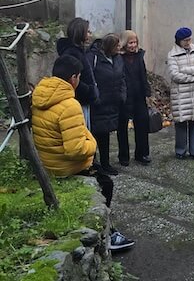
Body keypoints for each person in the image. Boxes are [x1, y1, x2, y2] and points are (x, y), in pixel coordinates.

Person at [31, 55, 134, 251]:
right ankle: (108, 233)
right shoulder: (69, 105)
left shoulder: (40, 96)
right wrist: (92, 146)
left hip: (49, 162)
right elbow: (75, 150)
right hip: (67, 166)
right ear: (73, 78)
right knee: (106, 183)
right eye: (79, 77)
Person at [86, 34, 127, 175]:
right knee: (95, 134)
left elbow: (122, 77)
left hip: (113, 102)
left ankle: (105, 163)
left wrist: (122, 95)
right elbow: (89, 77)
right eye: (116, 46)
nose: (119, 48)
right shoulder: (94, 57)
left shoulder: (118, 59)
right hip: (99, 103)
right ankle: (93, 164)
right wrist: (95, 97)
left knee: (106, 134)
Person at [167, 27, 194, 159]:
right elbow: (175, 75)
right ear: (179, 41)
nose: (188, 42)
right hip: (181, 94)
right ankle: (180, 151)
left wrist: (184, 70)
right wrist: (192, 77)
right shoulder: (172, 55)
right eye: (185, 40)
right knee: (181, 123)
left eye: (189, 39)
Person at [56, 17, 98, 129]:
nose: (90, 34)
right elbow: (70, 79)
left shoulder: (79, 51)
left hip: (83, 101)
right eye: (88, 31)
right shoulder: (71, 53)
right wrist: (88, 90)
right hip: (78, 102)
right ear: (80, 33)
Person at [117, 30, 152, 166]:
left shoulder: (139, 56)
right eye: (130, 42)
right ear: (125, 43)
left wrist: (147, 92)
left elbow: (143, 76)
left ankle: (142, 153)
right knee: (122, 127)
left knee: (142, 124)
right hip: (124, 96)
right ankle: (123, 156)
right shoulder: (119, 58)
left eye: (135, 42)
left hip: (138, 95)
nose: (133, 45)